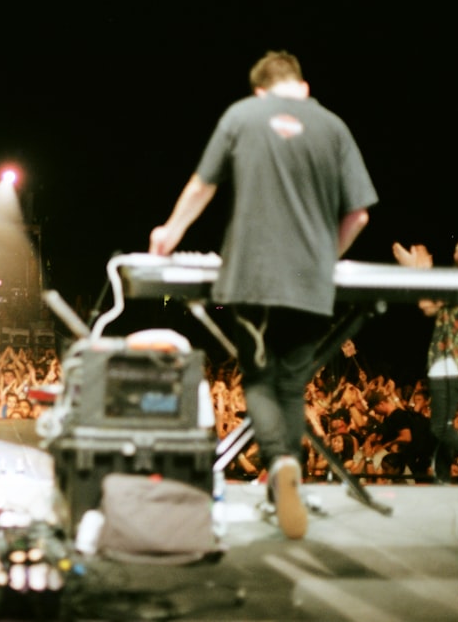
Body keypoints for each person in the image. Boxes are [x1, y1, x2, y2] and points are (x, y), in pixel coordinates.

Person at [149, 51, 378, 539]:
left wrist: (169, 232)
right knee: (292, 385)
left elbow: (201, 185)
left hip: (251, 276)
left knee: (257, 377)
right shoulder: (333, 126)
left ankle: (278, 466)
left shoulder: (241, 115)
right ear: (304, 86)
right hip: (309, 283)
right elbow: (359, 214)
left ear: (259, 90)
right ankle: (286, 476)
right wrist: (325, 258)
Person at [392, 237, 458, 480]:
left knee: (442, 429)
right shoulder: (450, 281)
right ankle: (442, 479)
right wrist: (418, 274)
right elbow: (428, 306)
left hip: (455, 363)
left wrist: (420, 272)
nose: (456, 253)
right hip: (444, 364)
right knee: (442, 428)